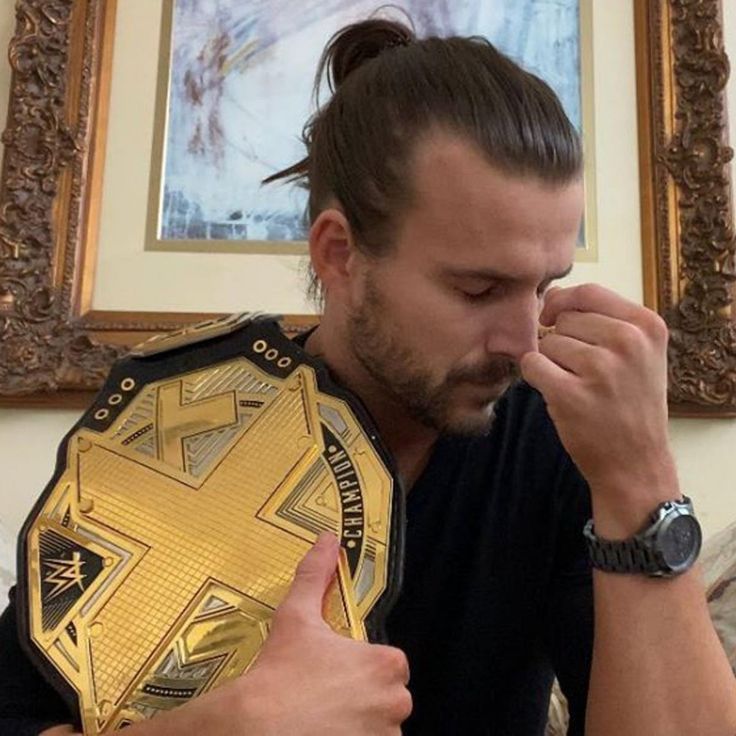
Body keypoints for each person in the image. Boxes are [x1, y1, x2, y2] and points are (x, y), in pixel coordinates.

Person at [2, 15, 736, 736]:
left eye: (544, 285)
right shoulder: (173, 418)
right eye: (478, 290)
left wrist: (642, 479)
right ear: (339, 253)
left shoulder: (557, 442)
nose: (523, 343)